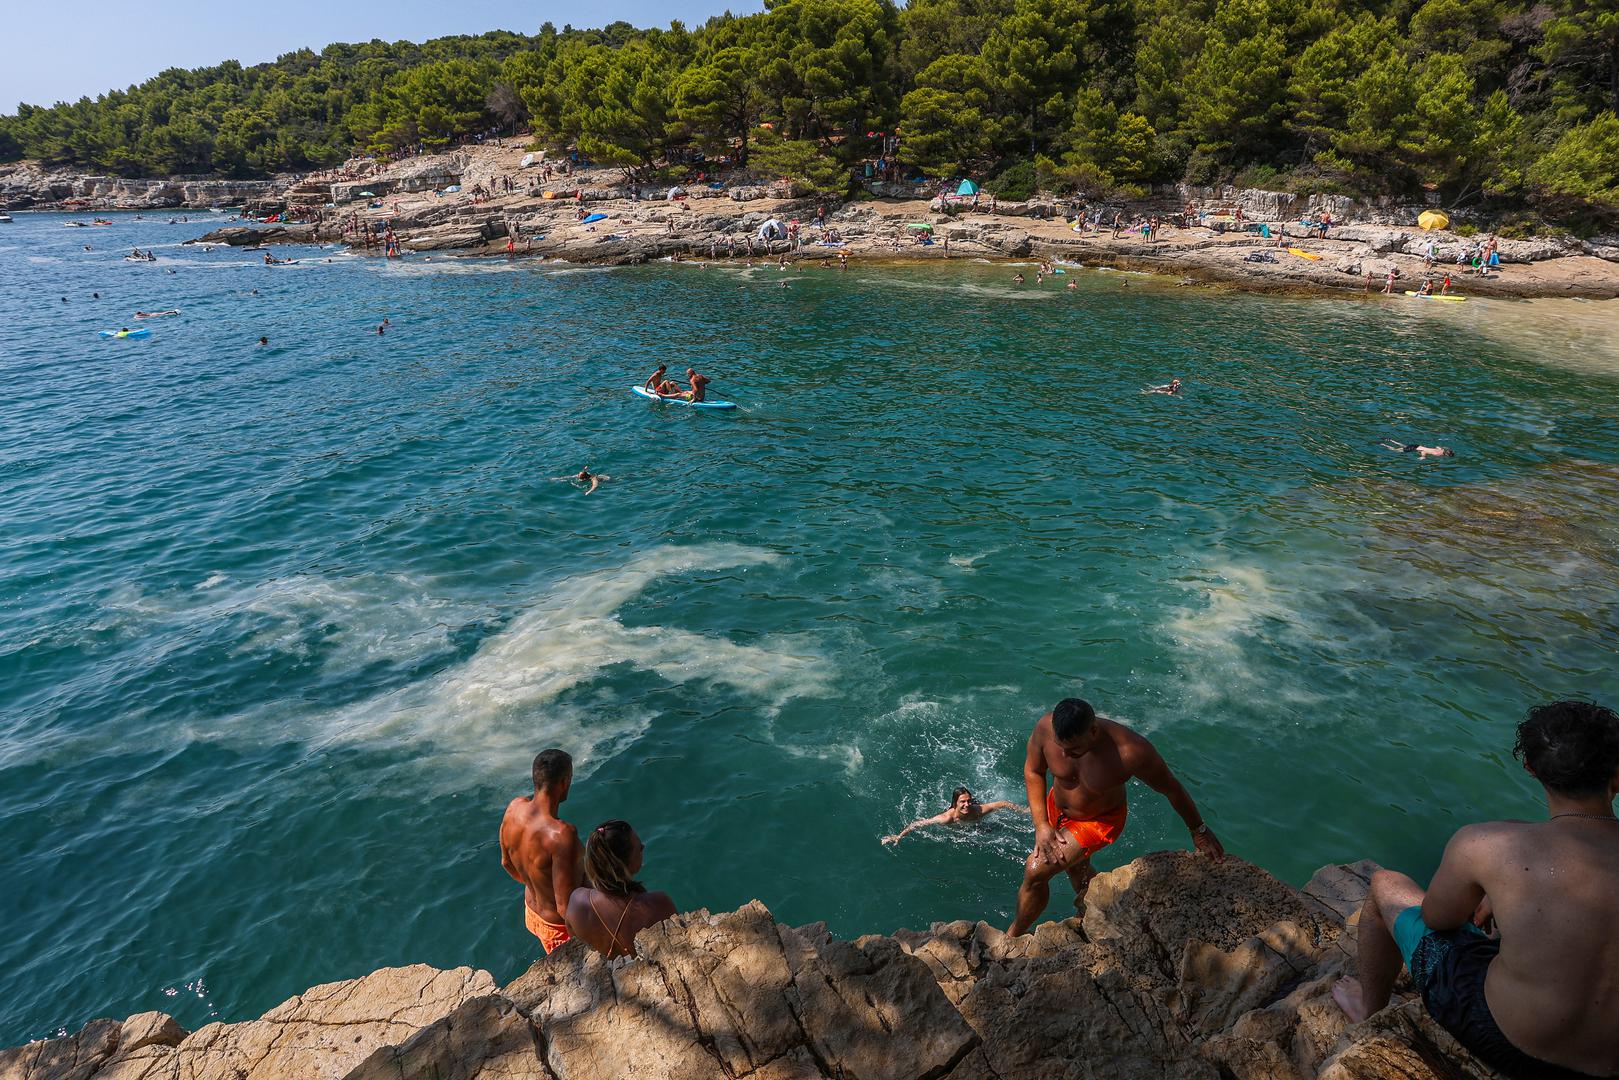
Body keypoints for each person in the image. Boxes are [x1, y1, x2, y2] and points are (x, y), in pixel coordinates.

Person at [1332, 701, 1619, 1080]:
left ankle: (1368, 1012)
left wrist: (1498, 891)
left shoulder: (1488, 845)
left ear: (1531, 769)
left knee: (1386, 884)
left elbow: (1437, 919)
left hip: (1506, 1042)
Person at [1008, 698, 1225, 936]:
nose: (1065, 755)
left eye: (1073, 750)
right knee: (1075, 869)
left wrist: (1199, 830)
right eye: (1061, 747)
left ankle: (1013, 936)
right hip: (1056, 808)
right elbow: (1033, 770)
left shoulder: (1131, 752)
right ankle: (1100, 908)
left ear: (1093, 731)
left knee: (1036, 870)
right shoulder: (1045, 728)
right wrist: (1041, 824)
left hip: (1098, 821)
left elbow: (1171, 788)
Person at [499, 749, 582, 955]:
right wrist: (582, 944)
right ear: (564, 782)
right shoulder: (561, 834)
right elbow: (564, 906)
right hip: (559, 929)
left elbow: (506, 863)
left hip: (533, 913)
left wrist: (536, 885)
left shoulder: (513, 808)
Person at [566, 821, 677, 959]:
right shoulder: (659, 903)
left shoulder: (576, 901)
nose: (643, 846)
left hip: (606, 975)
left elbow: (576, 947)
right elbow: (678, 944)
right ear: (622, 862)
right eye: (639, 848)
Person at [882, 787, 1028, 845]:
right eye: (963, 802)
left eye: (969, 801)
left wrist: (1023, 811)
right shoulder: (947, 818)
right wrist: (898, 836)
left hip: (975, 824)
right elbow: (917, 824)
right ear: (955, 803)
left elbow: (1003, 803)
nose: (967, 805)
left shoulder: (978, 810)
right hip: (961, 827)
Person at [1379, 439, 1454, 459]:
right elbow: (1423, 451)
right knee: (1395, 450)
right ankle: (1382, 444)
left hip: (1416, 445)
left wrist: (1441, 448)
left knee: (1404, 446)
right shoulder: (1438, 454)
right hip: (1414, 449)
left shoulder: (1441, 450)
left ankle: (1391, 440)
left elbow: (1437, 446)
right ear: (1447, 455)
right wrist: (1423, 457)